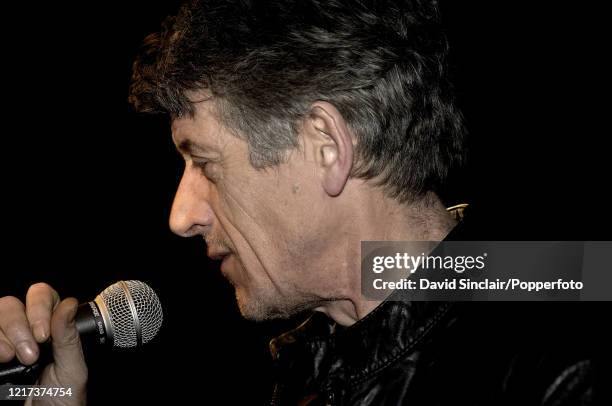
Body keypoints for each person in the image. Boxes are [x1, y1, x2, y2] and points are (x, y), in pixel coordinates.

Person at [0, 1, 595, 405]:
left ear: (326, 147)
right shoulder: (300, 368)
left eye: (203, 162)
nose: (180, 216)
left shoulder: (561, 354)